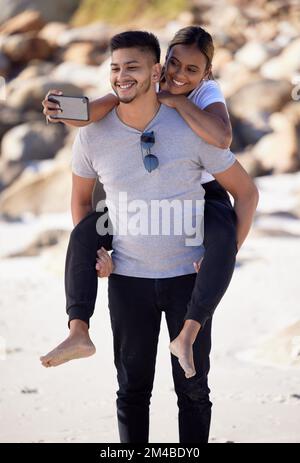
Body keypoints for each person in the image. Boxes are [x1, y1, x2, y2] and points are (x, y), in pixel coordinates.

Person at [40, 30, 258, 443]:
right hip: (127, 280)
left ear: (155, 72)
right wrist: (98, 255)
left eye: (133, 68)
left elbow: (244, 188)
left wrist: (220, 257)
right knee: (131, 392)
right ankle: (77, 330)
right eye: (115, 68)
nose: (123, 76)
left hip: (186, 277)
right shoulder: (92, 133)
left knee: (193, 392)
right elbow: (82, 203)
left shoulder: (198, 122)